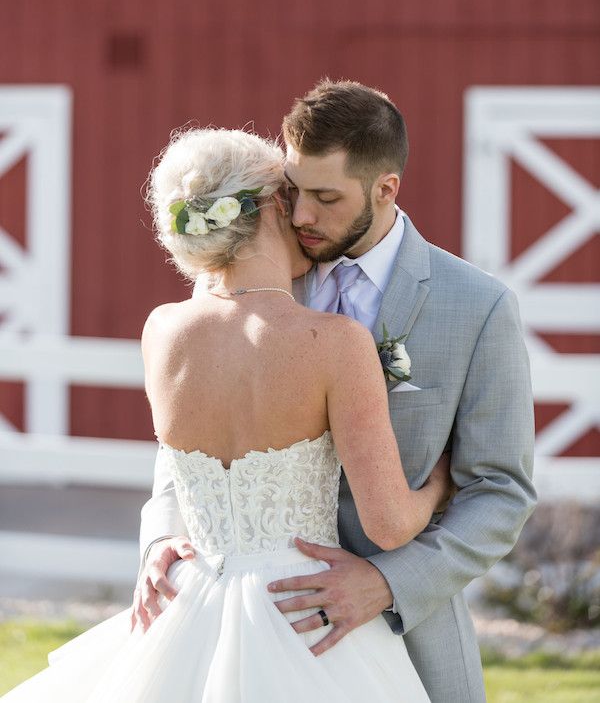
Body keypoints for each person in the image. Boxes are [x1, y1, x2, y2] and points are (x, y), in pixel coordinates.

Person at [2, 123, 453, 702]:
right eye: (292, 198)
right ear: (269, 206)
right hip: (303, 615)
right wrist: (440, 482)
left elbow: (179, 464)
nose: (304, 218)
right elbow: (388, 523)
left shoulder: (162, 331)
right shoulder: (335, 342)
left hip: (188, 605)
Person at [137, 81, 537, 703]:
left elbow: (502, 492)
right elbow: (186, 449)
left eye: (325, 198)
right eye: (293, 193)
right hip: (243, 629)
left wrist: (387, 581)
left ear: (385, 189)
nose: (301, 217)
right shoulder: (246, 277)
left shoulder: (478, 308)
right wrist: (162, 537)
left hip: (409, 636)